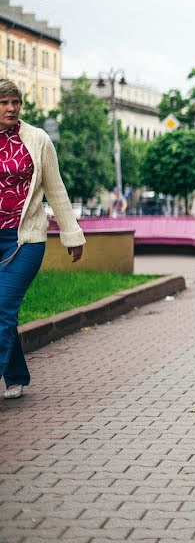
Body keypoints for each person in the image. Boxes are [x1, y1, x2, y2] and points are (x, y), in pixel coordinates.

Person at [0, 79, 85, 399]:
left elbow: (56, 189)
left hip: (25, 239)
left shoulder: (36, 139)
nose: (11, 108)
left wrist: (71, 234)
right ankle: (17, 375)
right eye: (4, 102)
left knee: (3, 306)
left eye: (16, 102)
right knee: (3, 311)